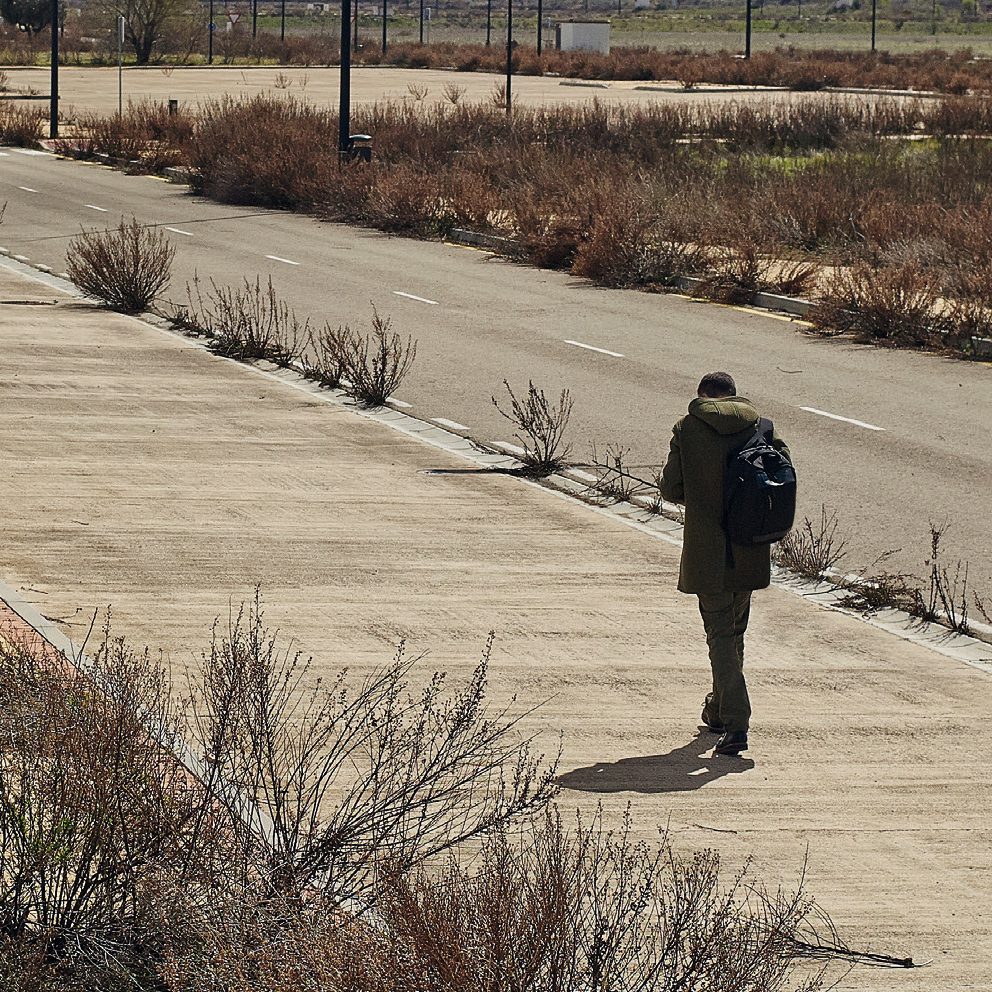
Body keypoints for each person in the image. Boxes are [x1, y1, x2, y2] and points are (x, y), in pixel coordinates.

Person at [660, 372, 790, 756]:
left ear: (703, 396)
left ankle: (736, 723)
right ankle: (718, 710)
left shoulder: (687, 428)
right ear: (733, 396)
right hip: (750, 546)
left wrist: (704, 495)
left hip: (707, 550)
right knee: (734, 632)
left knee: (719, 635)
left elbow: (671, 487)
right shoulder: (760, 427)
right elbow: (780, 474)